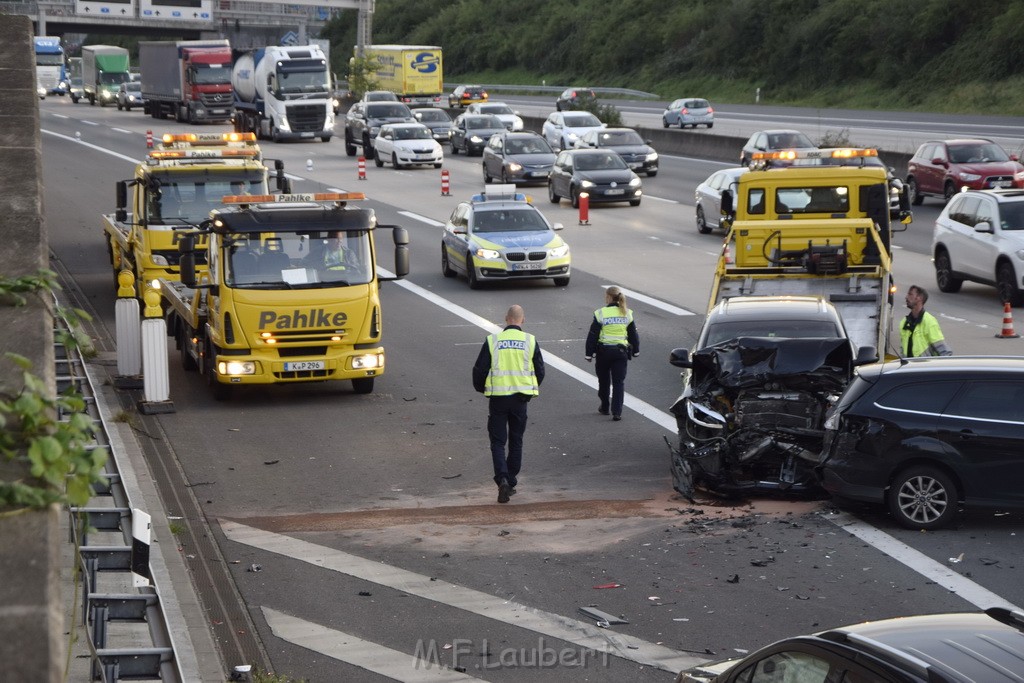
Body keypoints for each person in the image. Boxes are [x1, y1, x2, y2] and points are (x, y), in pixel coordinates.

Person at [472, 305, 545, 504]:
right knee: (516, 440)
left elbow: (479, 370)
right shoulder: (530, 341)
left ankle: (502, 478)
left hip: (498, 399)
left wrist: (482, 388)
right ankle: (511, 481)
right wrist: (530, 388)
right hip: (520, 399)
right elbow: (540, 370)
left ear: (506, 319)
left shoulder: (493, 341)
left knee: (497, 442)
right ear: (523, 320)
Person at [585, 286, 640, 421]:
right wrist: (636, 351)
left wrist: (589, 353)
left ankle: (604, 407)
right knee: (618, 382)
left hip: (604, 353)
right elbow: (633, 334)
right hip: (621, 353)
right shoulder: (627, 313)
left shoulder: (601, 313)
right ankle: (617, 412)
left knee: (603, 381)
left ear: (608, 297)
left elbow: (593, 334)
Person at [900, 285, 952, 357]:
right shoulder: (904, 322)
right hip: (909, 367)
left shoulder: (929, 321)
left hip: (925, 367)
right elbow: (903, 350)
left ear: (919, 298)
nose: (906, 297)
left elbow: (943, 351)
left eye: (910, 294)